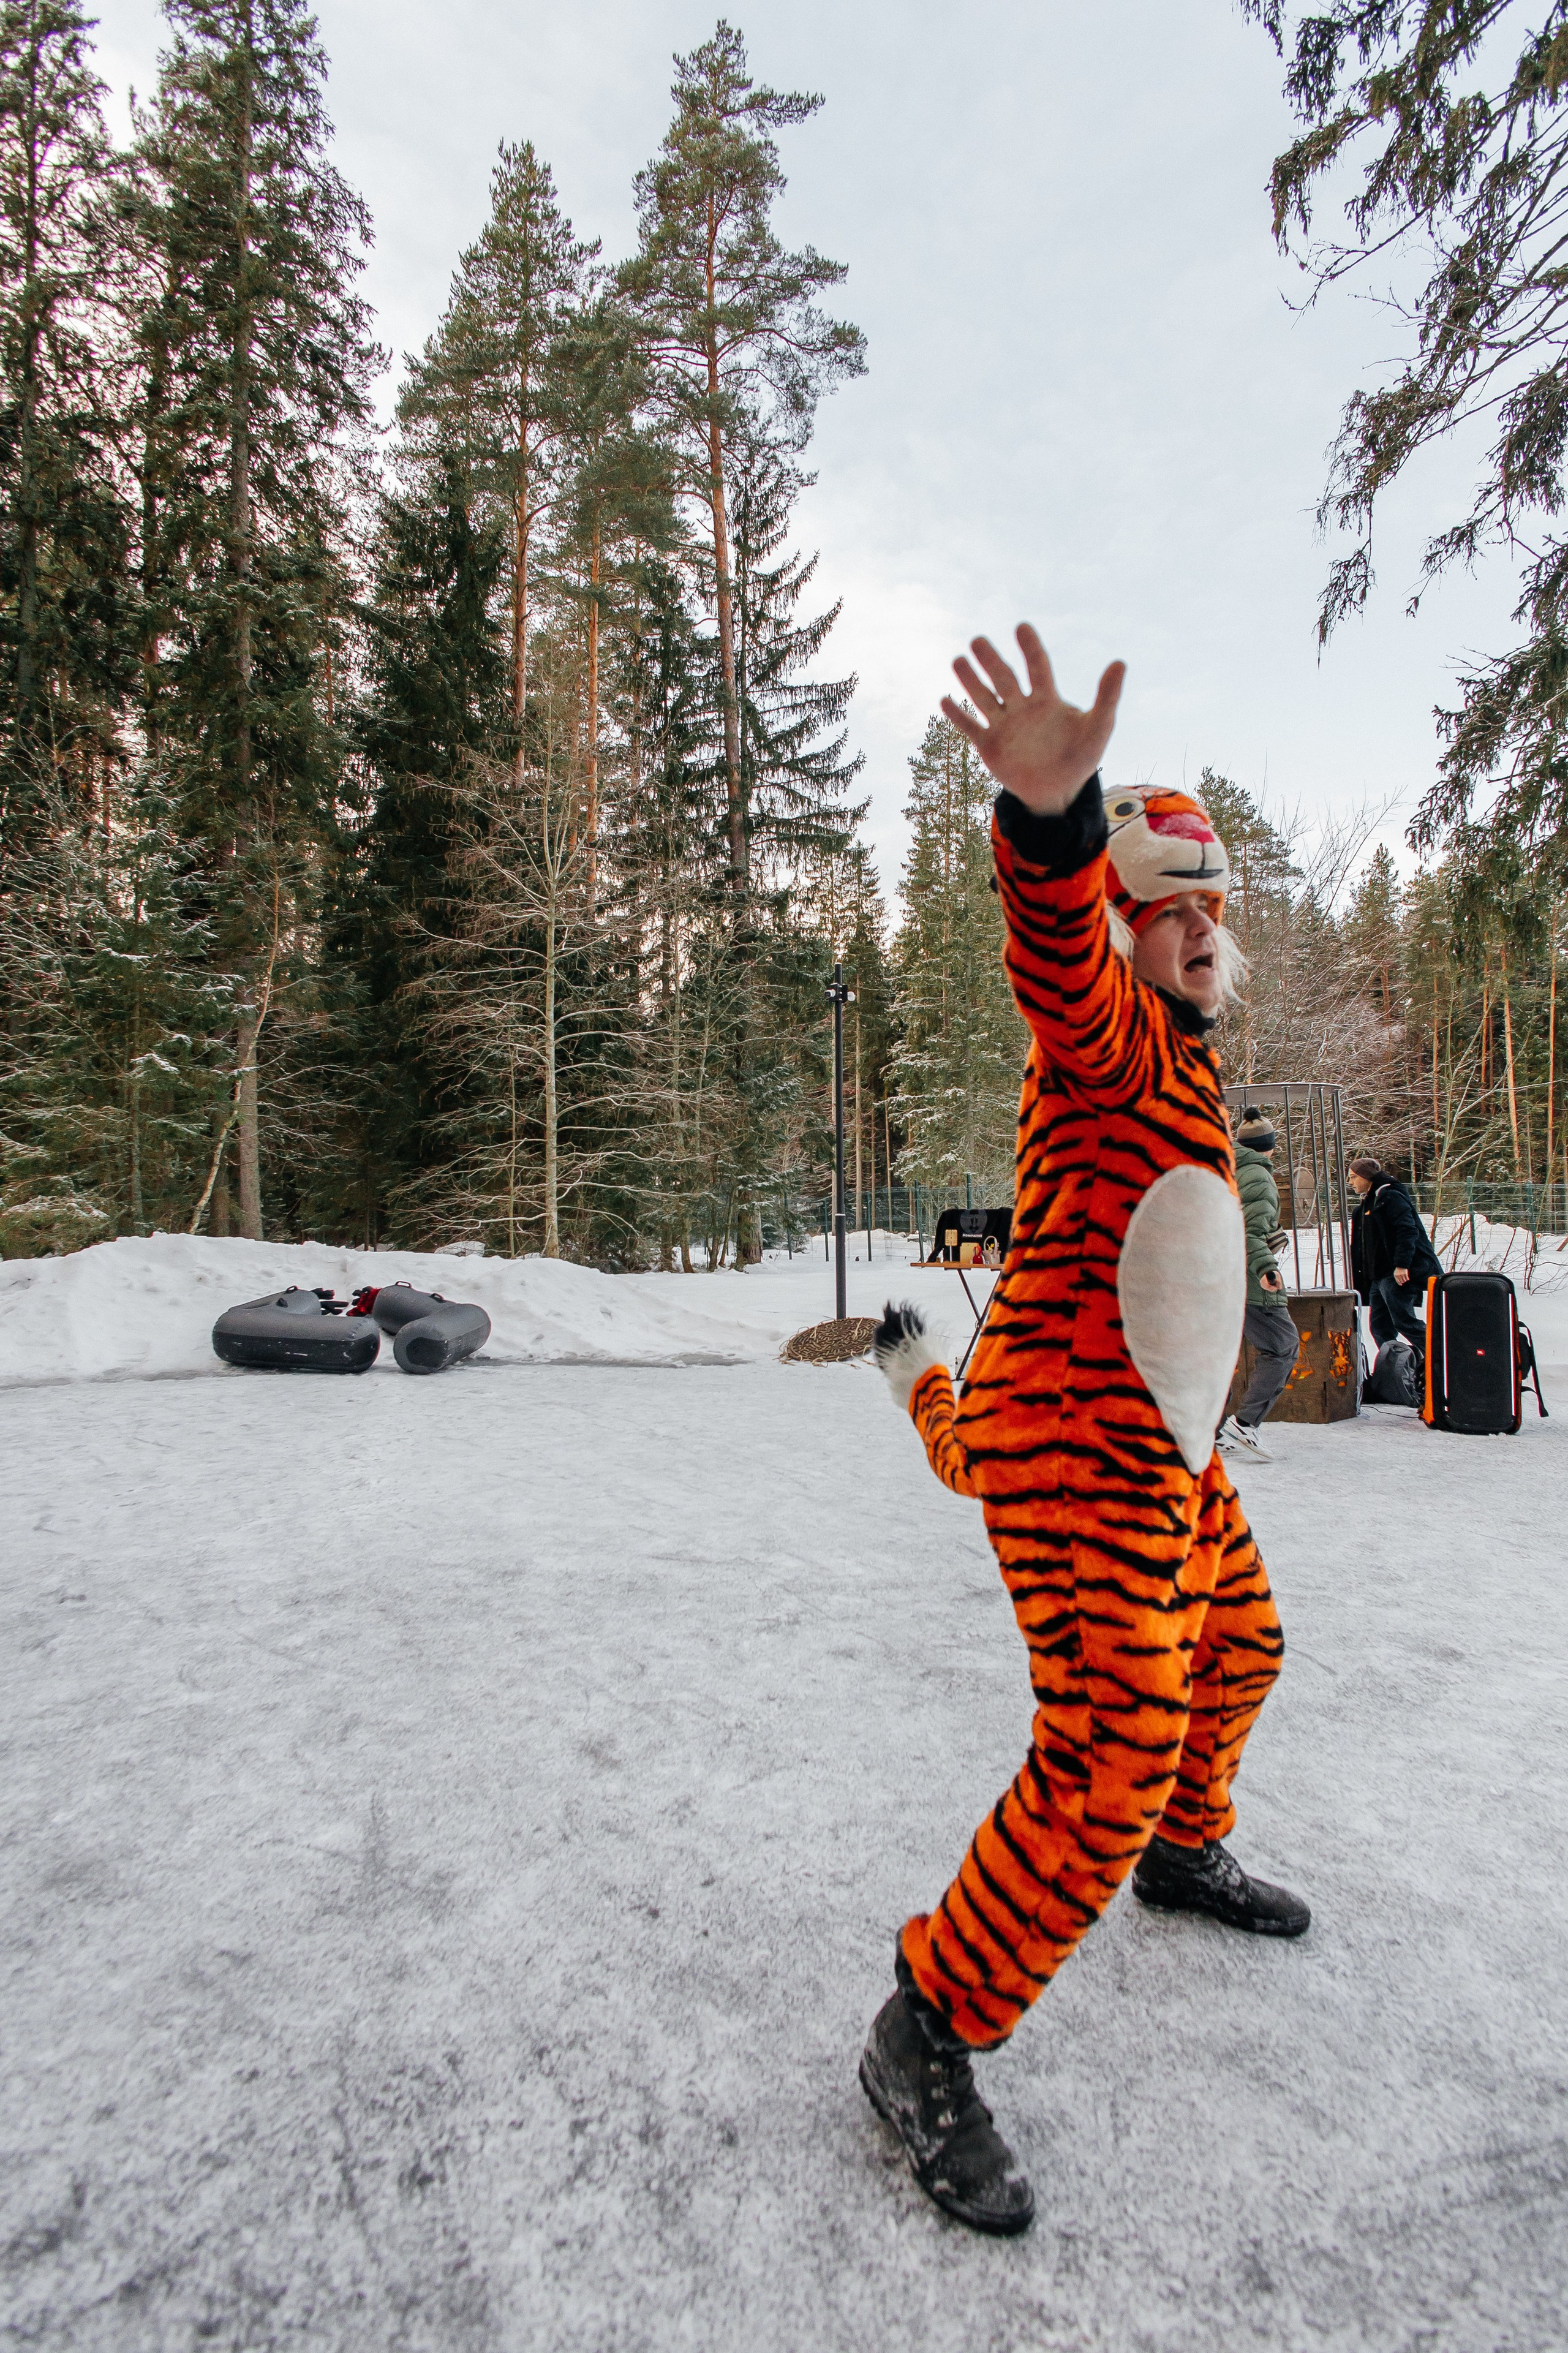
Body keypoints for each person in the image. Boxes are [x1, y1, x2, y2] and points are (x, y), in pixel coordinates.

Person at [861, 627, 1308, 2239]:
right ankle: (927, 2027)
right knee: (1109, 1747)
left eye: (1210, 909)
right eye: (1159, 906)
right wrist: (1052, 828)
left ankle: (1180, 1851)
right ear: (1119, 926)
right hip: (1072, 1452)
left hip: (1168, 1452)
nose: (1191, 931)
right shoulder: (1109, 1048)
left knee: (1242, 1648)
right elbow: (1053, 962)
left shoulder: (1188, 1069)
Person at [1216, 1111, 1297, 1461]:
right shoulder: (1260, 1179)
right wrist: (1267, 1266)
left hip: (1217, 1276)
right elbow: (1249, 1231)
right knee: (1283, 1346)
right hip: (1249, 1278)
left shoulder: (1222, 1168)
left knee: (1219, 1356)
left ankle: (1213, 1430)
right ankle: (1245, 1424)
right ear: (1272, 1148)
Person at [1348, 1156, 1442, 1350]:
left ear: (1367, 1177)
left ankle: (1441, 1358)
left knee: (1404, 1322)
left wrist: (1402, 1264)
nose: (1350, 1182)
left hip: (1395, 1275)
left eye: (1354, 1177)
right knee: (1380, 1328)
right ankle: (1393, 1367)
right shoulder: (1368, 1203)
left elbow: (1407, 1230)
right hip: (1378, 1277)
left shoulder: (1390, 1197)